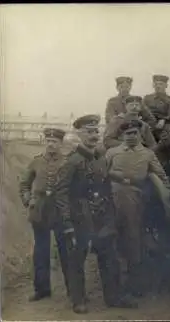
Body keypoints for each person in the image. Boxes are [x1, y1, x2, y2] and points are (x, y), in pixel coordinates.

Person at [55, 115, 136, 314]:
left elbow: (106, 183)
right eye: (89, 132)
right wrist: (67, 222)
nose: (93, 135)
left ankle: (113, 297)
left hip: (102, 216)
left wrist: (112, 211)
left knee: (109, 257)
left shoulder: (100, 158)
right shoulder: (72, 161)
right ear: (79, 134)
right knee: (77, 258)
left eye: (95, 131)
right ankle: (78, 300)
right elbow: (61, 193)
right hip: (80, 216)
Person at [105, 119, 168, 297]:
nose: (131, 136)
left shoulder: (147, 154)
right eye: (127, 134)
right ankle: (113, 285)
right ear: (122, 135)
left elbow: (161, 176)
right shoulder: (112, 152)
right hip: (113, 201)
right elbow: (101, 174)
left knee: (134, 240)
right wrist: (115, 177)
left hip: (136, 201)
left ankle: (134, 285)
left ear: (140, 134)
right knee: (113, 240)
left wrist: (166, 195)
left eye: (134, 133)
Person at [19, 128, 69, 301]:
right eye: (48, 141)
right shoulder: (36, 162)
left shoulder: (67, 162)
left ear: (61, 143)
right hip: (40, 210)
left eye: (54, 141)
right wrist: (28, 201)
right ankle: (42, 289)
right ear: (44, 142)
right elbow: (24, 183)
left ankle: (72, 290)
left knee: (66, 251)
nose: (51, 144)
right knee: (41, 251)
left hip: (61, 210)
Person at [143, 75, 170, 140]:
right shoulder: (147, 98)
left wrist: (164, 119)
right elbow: (142, 112)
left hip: (164, 125)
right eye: (156, 84)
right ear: (153, 85)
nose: (158, 86)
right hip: (149, 124)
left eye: (161, 84)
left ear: (166, 85)